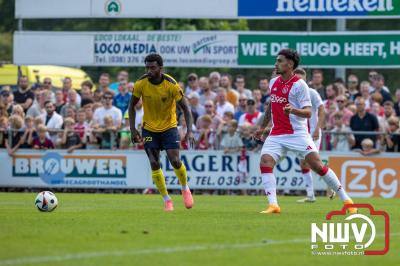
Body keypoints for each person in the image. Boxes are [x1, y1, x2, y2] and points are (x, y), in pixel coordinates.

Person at [256, 49, 356, 214]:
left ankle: (347, 200)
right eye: (276, 60)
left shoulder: (300, 85)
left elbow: (308, 112)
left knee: (317, 166)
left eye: (280, 61)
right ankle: (273, 205)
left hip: (297, 133)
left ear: (290, 64)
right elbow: (270, 107)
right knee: (265, 162)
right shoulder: (273, 82)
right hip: (276, 134)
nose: (276, 64)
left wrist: (293, 110)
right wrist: (261, 127)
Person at [128, 53, 195, 212]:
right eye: (147, 67)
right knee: (154, 162)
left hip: (169, 127)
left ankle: (185, 188)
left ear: (160, 68)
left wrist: (190, 131)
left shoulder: (171, 84)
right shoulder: (140, 83)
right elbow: (131, 107)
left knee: (175, 161)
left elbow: (186, 108)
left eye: (152, 67)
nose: (149, 70)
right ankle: (167, 200)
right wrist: (132, 129)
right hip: (149, 128)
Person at [293, 68, 326, 203]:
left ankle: (332, 186)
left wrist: (318, 128)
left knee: (313, 163)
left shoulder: (312, 93)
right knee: (304, 163)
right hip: (300, 133)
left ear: (306, 80)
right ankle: (310, 194)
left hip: (312, 132)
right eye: (296, 79)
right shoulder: (292, 94)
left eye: (301, 79)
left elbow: (322, 109)